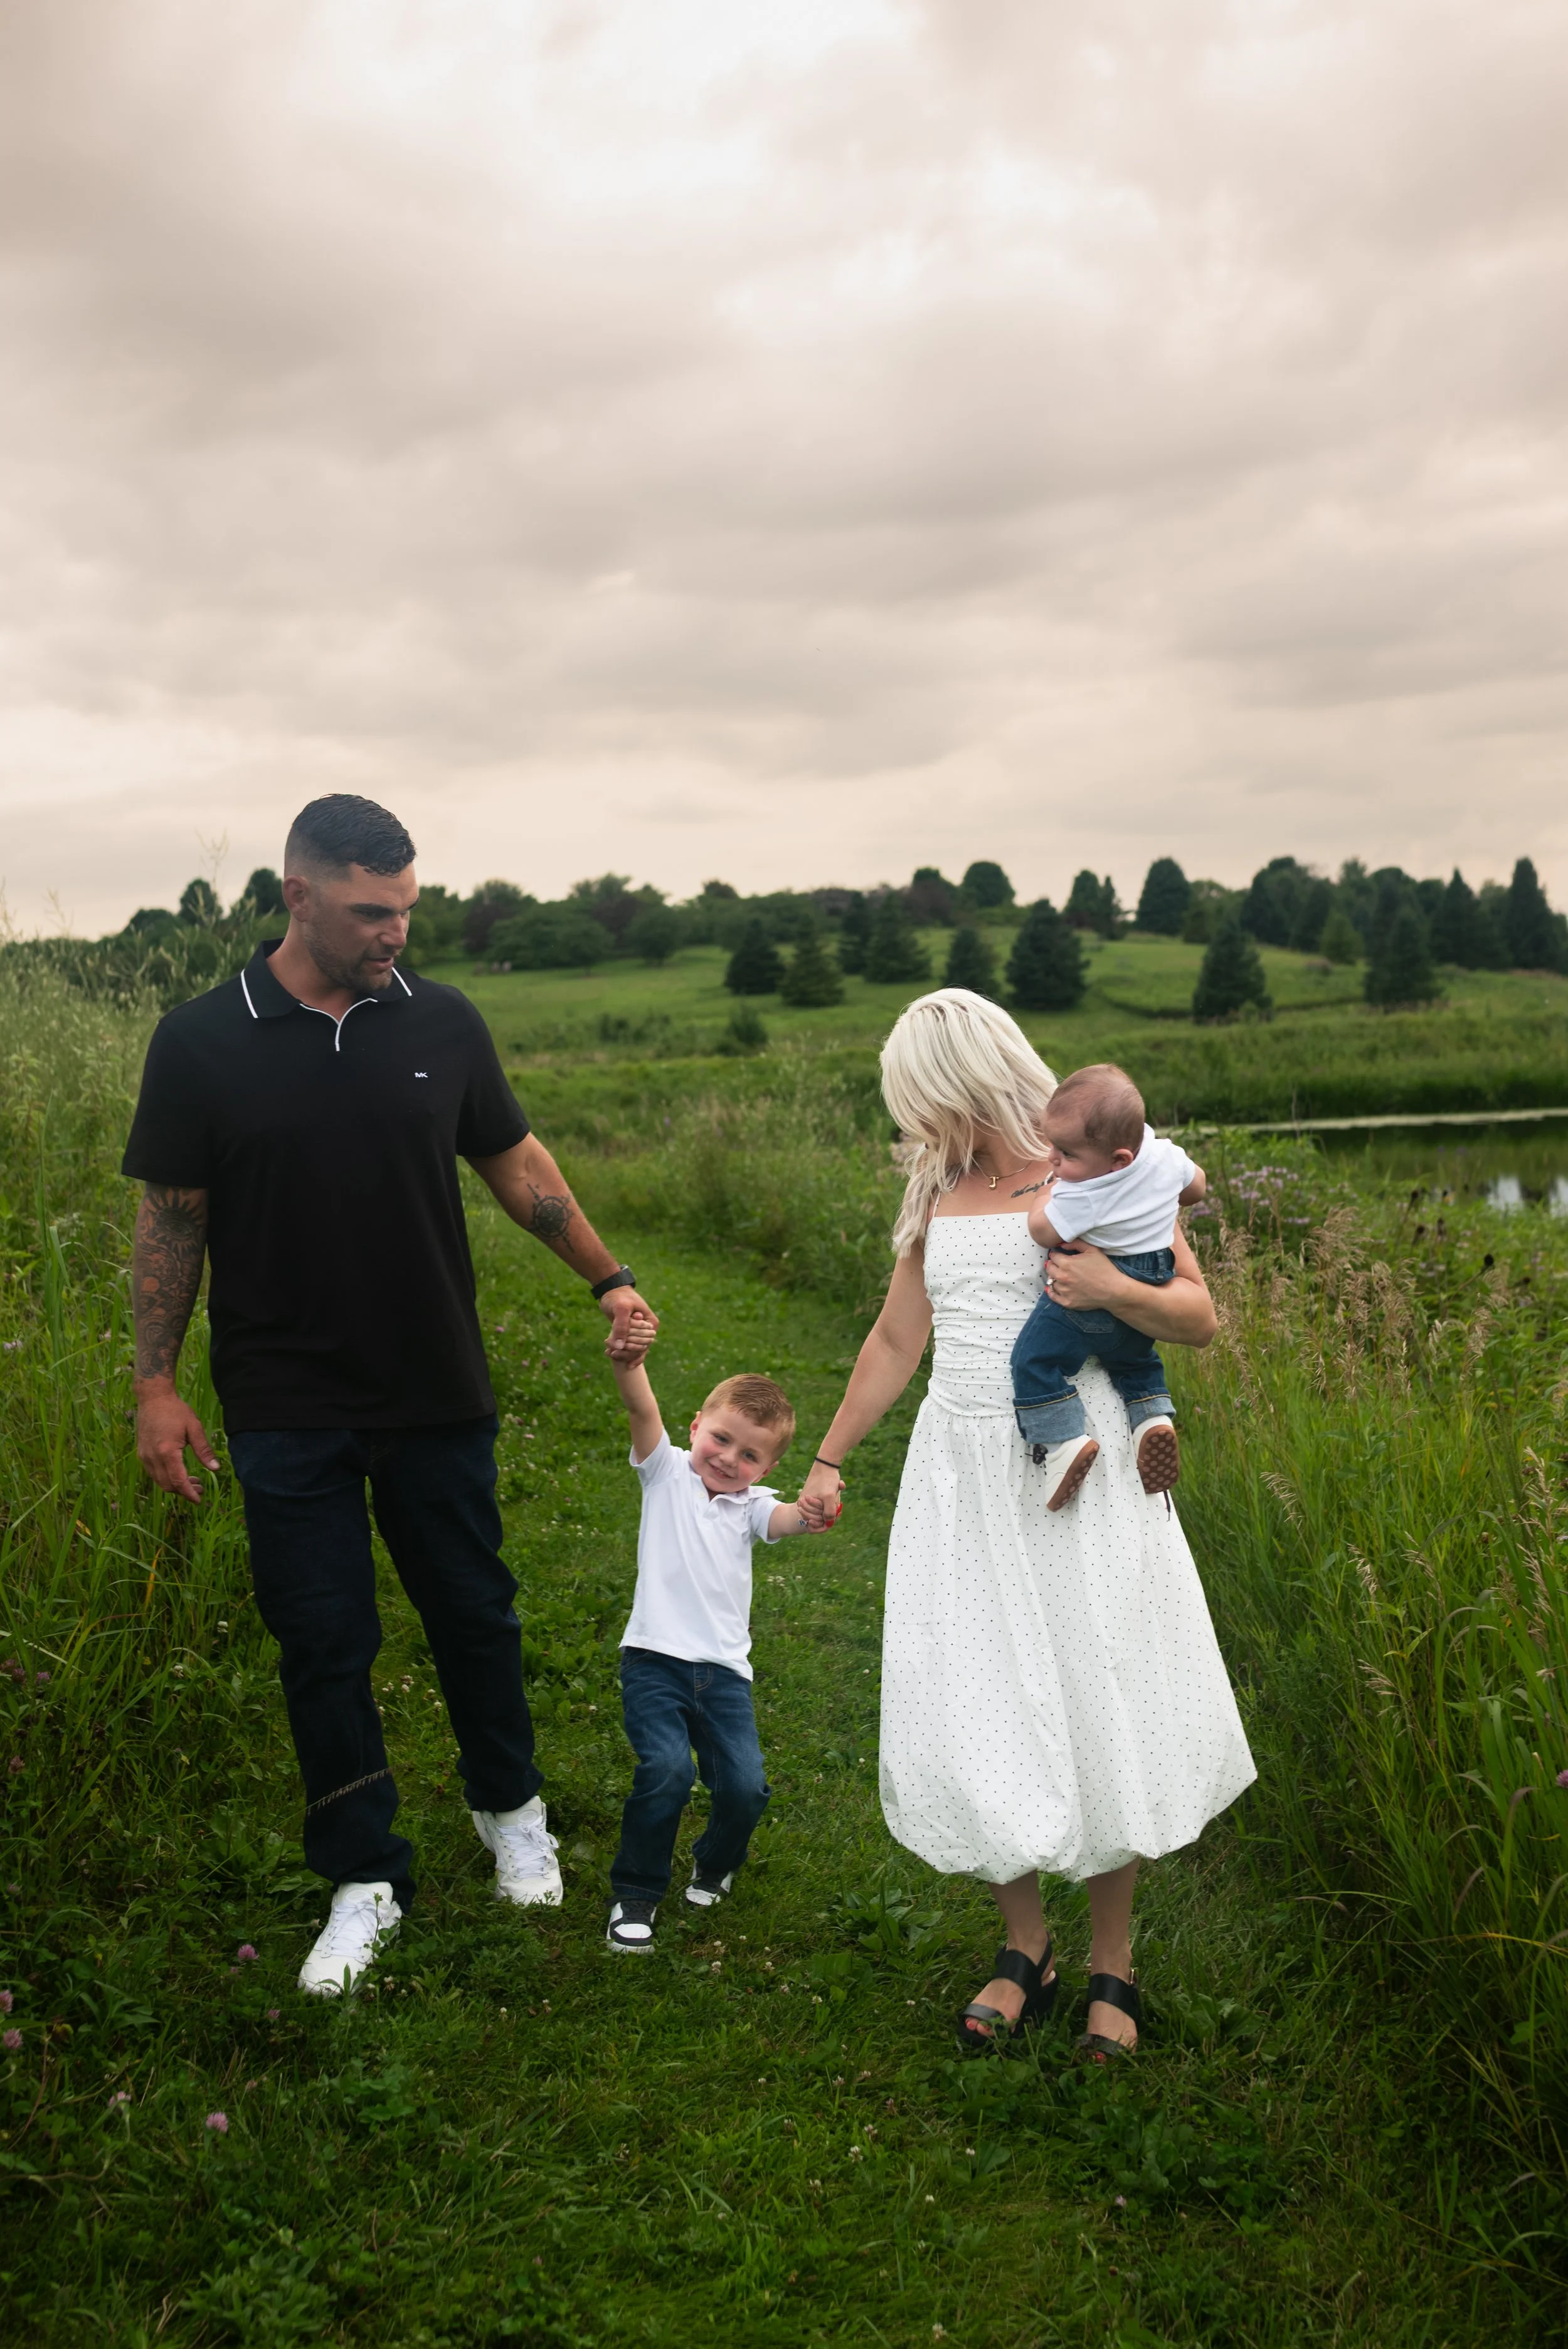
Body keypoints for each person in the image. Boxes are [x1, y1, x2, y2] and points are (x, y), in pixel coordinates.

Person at [122, 793, 657, 1998]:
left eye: (408, 909)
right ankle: (364, 1874)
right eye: (371, 911)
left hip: (434, 1385)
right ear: (296, 894)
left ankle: (509, 1807)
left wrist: (607, 1276)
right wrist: (156, 1382)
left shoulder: (444, 1022)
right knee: (324, 1639)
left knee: (475, 1611)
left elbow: (515, 1160)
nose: (395, 933)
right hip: (283, 1396)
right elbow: (171, 1220)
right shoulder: (201, 1040)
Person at [799, 990, 1254, 2060]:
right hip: (961, 1475)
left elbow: (1198, 1313)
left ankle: (1114, 1962)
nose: (913, 1126)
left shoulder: (1097, 1176)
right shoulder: (935, 1191)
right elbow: (894, 1340)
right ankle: (1025, 1949)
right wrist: (826, 1457)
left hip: (1080, 1469)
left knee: (1100, 1687)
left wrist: (1106, 1285)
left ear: (960, 1083)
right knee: (979, 1691)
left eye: (921, 1103)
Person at [602, 1359, 829, 1953]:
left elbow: (783, 1520)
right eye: (720, 1438)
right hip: (654, 1660)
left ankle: (716, 1861)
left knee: (746, 1787)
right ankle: (636, 1891)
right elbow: (641, 1410)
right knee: (668, 1773)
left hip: (726, 1675)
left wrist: (811, 1514)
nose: (729, 1459)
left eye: (749, 1455)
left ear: (768, 1468)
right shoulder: (666, 1472)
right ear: (697, 1424)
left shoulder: (750, 1504)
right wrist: (632, 1364)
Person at [1010, 1061, 1207, 1509]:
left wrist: (1046, 1192)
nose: (1052, 1160)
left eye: (1066, 1154)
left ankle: (1063, 1443)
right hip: (1156, 1276)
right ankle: (1152, 1418)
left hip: (1088, 1301)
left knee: (1034, 1359)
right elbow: (1197, 1187)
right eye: (1051, 1147)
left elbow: (1042, 1231)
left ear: (1119, 1158)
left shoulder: (1084, 1193)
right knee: (1134, 1360)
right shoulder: (1161, 1153)